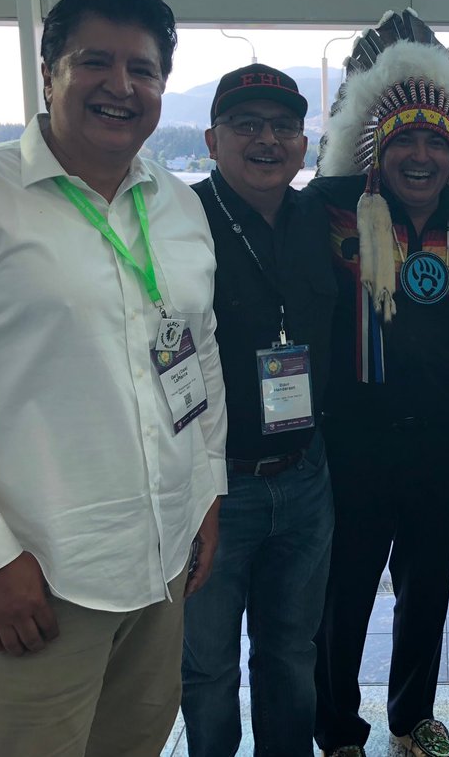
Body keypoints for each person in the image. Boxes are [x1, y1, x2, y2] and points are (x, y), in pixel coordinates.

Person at [0, 0, 226, 757]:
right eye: (95, 62)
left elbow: (199, 356)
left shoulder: (178, 206)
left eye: (143, 69)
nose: (121, 86)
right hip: (37, 575)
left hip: (161, 562)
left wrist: (207, 491)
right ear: (48, 73)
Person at [308, 9, 449, 757]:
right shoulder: (328, 211)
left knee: (428, 590)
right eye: (403, 141)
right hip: (354, 442)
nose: (420, 156)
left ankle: (413, 715)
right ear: (374, 150)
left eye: (435, 142)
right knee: (344, 592)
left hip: (443, 440)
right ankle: (336, 728)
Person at [180, 64, 336, 756]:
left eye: (283, 126)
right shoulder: (180, 223)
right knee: (208, 667)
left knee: (291, 653)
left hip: (305, 477)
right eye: (247, 125)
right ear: (213, 140)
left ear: (303, 144)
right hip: (214, 488)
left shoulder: (319, 219)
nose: (267, 140)